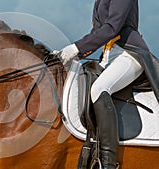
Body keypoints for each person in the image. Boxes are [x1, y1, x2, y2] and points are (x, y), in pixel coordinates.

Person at [56, 0, 159, 169]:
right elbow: (97, 31)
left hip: (129, 53)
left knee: (99, 89)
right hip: (109, 55)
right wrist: (69, 54)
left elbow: (112, 27)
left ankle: (108, 162)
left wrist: (76, 48)